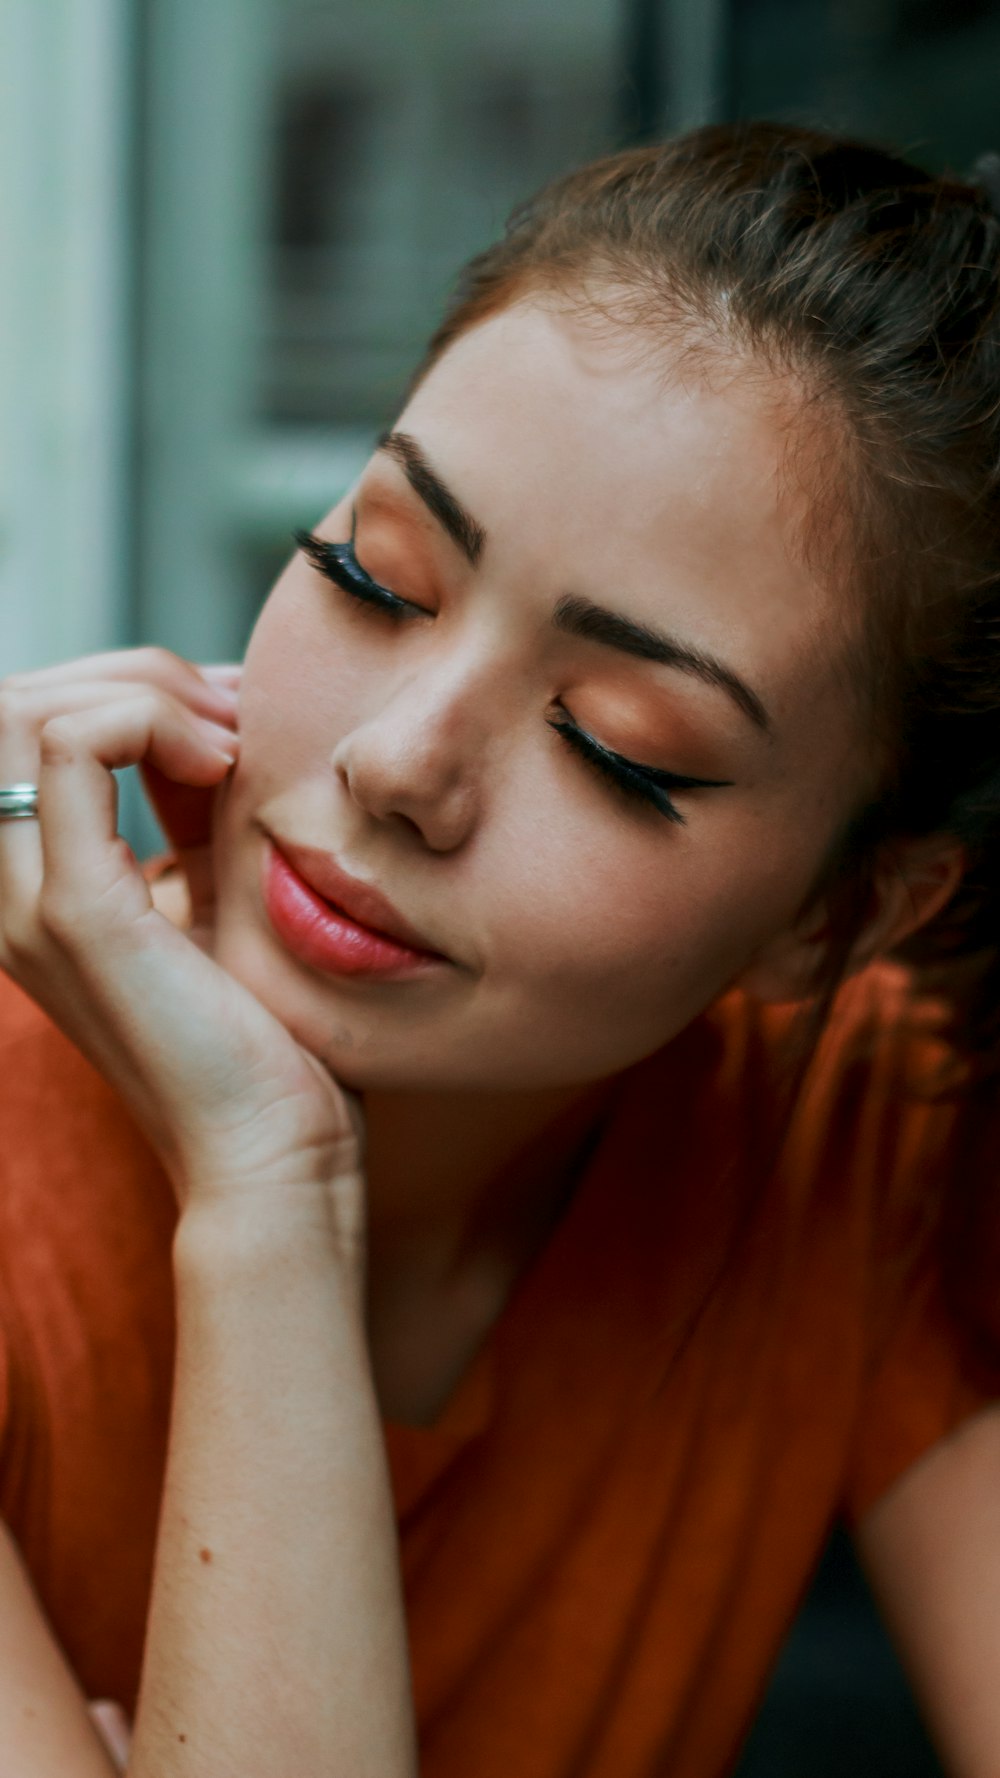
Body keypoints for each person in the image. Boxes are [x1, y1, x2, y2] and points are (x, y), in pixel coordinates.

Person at [1, 118, 1000, 1777]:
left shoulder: (857, 1124)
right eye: (371, 574)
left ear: (833, 915)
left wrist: (271, 1190)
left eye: (624, 745)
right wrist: (264, 1178)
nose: (399, 763)